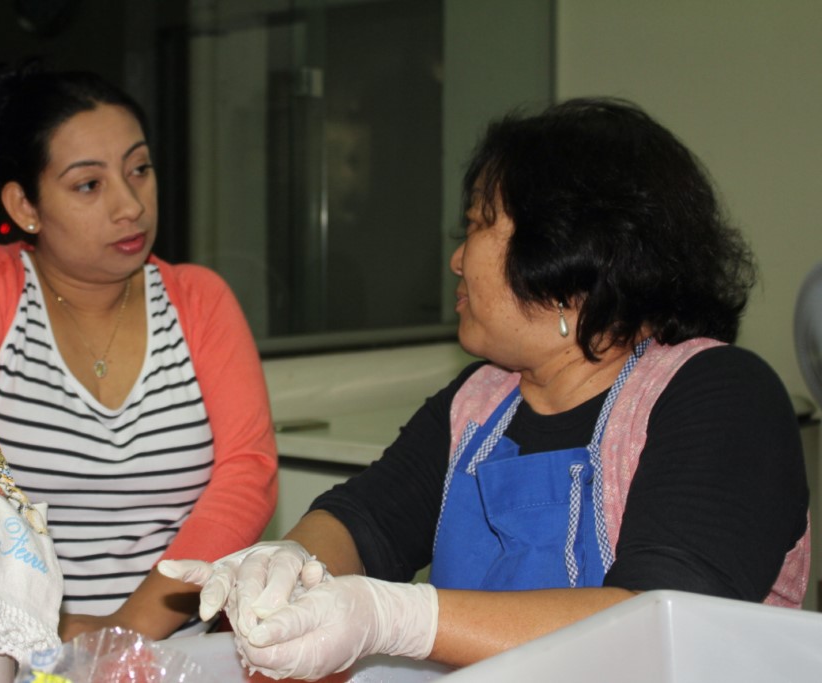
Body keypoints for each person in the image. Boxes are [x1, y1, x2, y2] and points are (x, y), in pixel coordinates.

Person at [159, 97, 810, 679]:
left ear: (564, 252)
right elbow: (363, 519)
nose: (457, 258)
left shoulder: (721, 395)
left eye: (477, 224)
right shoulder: (481, 401)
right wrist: (293, 566)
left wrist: (400, 618)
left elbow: (655, 624)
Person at [0, 62, 278, 641]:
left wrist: (129, 631)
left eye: (139, 170)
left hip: (182, 649)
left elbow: (247, 473)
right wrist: (53, 632)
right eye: (88, 185)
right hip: (17, 644)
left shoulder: (200, 300)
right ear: (25, 207)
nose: (130, 205)